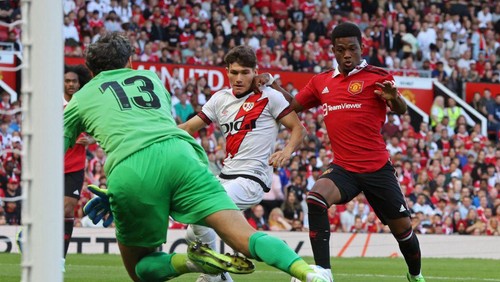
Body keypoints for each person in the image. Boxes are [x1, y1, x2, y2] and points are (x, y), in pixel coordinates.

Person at [64, 32, 329, 282]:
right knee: (241, 236)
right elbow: (159, 130)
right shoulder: (152, 79)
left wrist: (121, 193)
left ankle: (197, 265)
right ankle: (308, 273)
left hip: (135, 170)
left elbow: (61, 149)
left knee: (140, 269)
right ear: (130, 61)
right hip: (182, 156)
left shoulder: (80, 97)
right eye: (234, 72)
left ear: (90, 70)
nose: (238, 78)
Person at [257, 22, 425, 282]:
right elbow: (292, 106)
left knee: (403, 231)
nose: (348, 54)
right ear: (333, 51)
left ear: (362, 48)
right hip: (344, 168)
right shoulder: (321, 81)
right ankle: (323, 271)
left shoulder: (377, 76)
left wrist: (395, 97)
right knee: (315, 198)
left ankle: (416, 275)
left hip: (377, 168)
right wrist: (272, 84)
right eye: (341, 49)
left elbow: (401, 110)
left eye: (353, 49)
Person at [179, 45, 306, 282]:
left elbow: (298, 128)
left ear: (255, 72)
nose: (239, 78)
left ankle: (218, 275)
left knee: (203, 210)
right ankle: (220, 275)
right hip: (226, 175)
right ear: (227, 71)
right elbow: (188, 128)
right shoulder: (220, 99)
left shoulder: (269, 97)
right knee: (193, 230)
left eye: (245, 72)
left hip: (252, 178)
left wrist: (286, 151)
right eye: (234, 72)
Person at [63, 64, 93, 270]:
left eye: (74, 81)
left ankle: (60, 259)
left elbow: (98, 129)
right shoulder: (51, 104)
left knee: (66, 209)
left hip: (74, 166)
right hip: (50, 164)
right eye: (67, 81)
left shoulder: (84, 106)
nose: (71, 84)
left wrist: (90, 139)